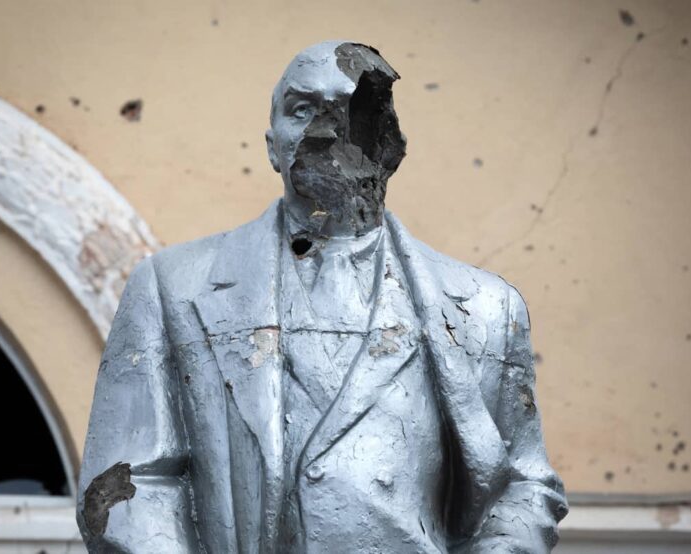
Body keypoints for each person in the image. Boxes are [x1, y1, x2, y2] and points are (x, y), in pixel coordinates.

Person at [77, 40, 567, 553]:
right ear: (272, 144)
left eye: (351, 110)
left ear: (390, 141)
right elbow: (130, 485)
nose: (326, 130)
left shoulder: (484, 307)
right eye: (303, 109)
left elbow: (522, 485)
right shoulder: (172, 286)